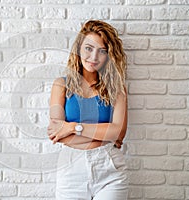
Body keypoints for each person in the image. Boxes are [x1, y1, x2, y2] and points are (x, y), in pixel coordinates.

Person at [47, 20, 128, 200]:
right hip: (71, 169)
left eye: (102, 51)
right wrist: (103, 131)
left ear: (109, 56)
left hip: (109, 168)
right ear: (79, 48)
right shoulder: (61, 85)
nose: (94, 57)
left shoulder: (116, 87)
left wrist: (71, 127)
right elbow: (57, 133)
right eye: (89, 48)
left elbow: (118, 132)